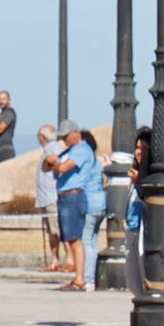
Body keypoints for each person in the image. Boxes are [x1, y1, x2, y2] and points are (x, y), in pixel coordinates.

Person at [43, 120, 94, 290]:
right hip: (64, 197)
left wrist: (54, 163)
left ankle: (80, 279)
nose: (64, 140)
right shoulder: (69, 150)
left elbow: (64, 168)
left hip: (74, 196)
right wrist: (50, 162)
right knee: (70, 239)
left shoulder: (82, 150)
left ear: (75, 133)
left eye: (66, 136)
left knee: (75, 240)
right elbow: (47, 168)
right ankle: (78, 278)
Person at [35, 124, 67, 271]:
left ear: (42, 137)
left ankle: (60, 260)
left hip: (51, 196)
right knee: (52, 230)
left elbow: (57, 164)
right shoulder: (49, 149)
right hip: (46, 197)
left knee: (56, 230)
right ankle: (55, 259)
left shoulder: (53, 149)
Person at [80, 130, 107, 289]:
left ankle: (88, 278)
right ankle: (93, 277)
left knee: (86, 241)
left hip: (89, 203)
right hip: (101, 203)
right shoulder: (97, 161)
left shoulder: (86, 161)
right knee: (93, 241)